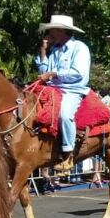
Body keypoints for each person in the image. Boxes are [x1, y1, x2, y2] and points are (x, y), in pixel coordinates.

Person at [35, 14, 92, 171]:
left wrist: (53, 74)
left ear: (61, 30)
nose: (49, 33)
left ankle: (68, 154)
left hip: (72, 90)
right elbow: (43, 71)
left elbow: (78, 73)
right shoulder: (53, 50)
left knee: (64, 115)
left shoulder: (80, 48)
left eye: (52, 30)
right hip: (51, 88)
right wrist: (43, 51)